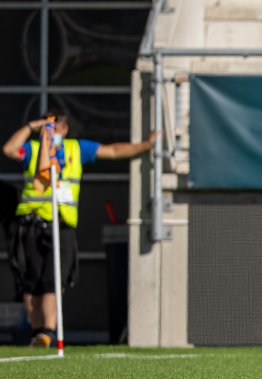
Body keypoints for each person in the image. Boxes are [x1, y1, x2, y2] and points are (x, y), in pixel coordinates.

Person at [2, 108, 155, 348]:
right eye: (48, 126)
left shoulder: (76, 149)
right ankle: (36, 332)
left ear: (65, 128)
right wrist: (33, 127)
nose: (53, 131)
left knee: (53, 279)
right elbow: (10, 150)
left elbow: (113, 151)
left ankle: (47, 332)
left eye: (56, 125)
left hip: (61, 223)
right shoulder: (33, 149)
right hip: (31, 222)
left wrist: (146, 145)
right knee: (30, 280)